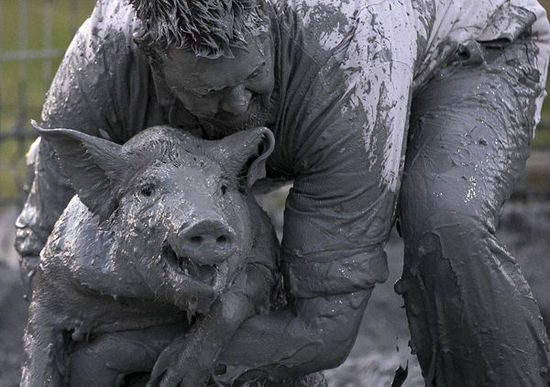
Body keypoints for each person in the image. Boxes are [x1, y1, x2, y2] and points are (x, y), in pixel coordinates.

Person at [14, 0, 550, 385]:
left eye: (253, 78)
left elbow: (325, 326)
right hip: (337, 80)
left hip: (477, 50)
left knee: (441, 215)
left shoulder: (348, 54)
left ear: (269, 21)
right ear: (154, 66)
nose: (243, 107)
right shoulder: (102, 60)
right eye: (213, 93)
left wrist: (117, 355)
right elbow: (45, 255)